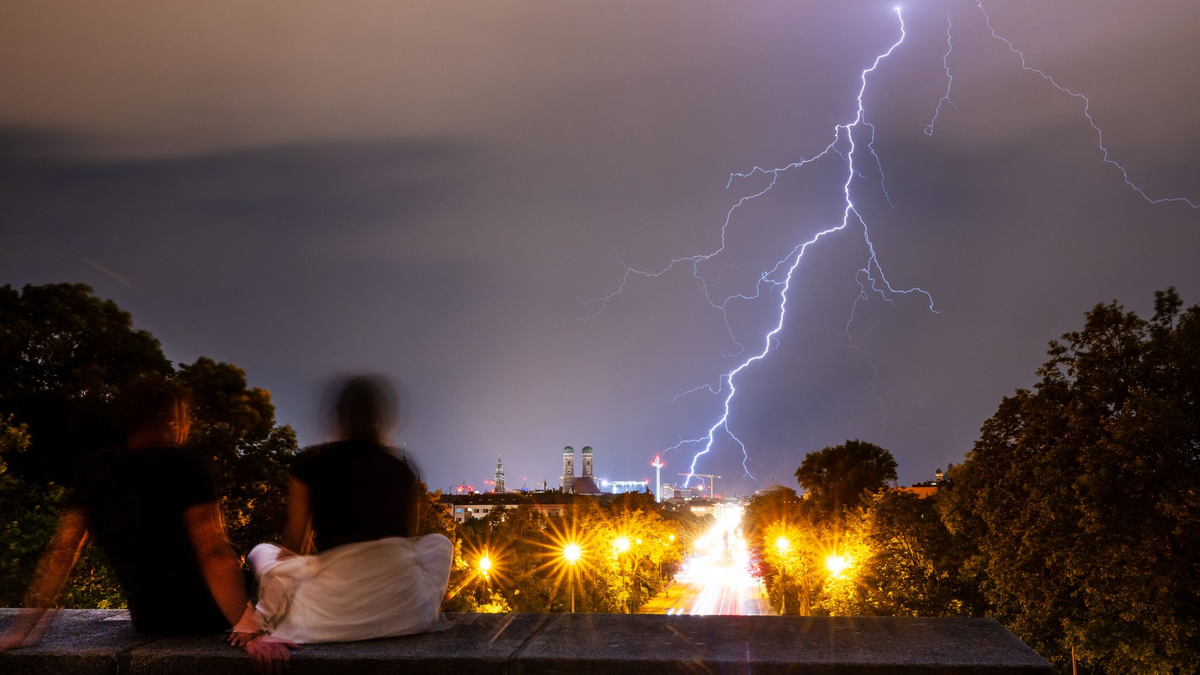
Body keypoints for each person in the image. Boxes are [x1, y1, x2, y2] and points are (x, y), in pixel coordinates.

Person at [0, 375, 290, 671]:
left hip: (150, 619)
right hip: (210, 616)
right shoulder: (186, 465)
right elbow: (212, 551)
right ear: (172, 419)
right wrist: (248, 625)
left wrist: (20, 631)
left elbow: (61, 552)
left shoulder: (96, 469)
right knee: (267, 553)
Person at [240, 375, 452, 644]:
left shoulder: (310, 467)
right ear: (382, 419)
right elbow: (409, 541)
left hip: (327, 618)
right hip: (407, 614)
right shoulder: (402, 471)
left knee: (262, 552)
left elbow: (295, 547)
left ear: (338, 419)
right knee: (439, 543)